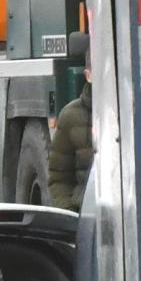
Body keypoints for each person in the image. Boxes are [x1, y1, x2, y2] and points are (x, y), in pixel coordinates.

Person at [45, 65, 92, 209]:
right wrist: (68, 213)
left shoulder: (136, 113)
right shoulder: (70, 116)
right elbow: (59, 177)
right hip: (85, 212)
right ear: (88, 75)